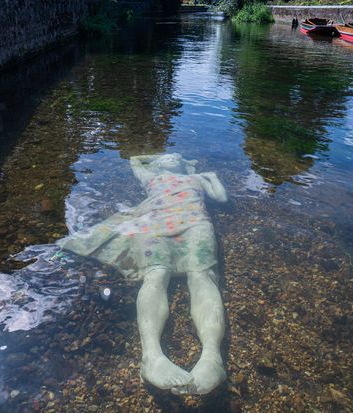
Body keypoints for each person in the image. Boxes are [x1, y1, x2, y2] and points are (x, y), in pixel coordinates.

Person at [59, 153, 228, 395]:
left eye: (176, 156)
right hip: (156, 223)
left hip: (196, 223)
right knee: (156, 274)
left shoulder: (197, 179)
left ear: (184, 163)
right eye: (167, 157)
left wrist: (210, 177)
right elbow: (134, 160)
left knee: (202, 275)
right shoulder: (151, 176)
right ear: (158, 164)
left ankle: (213, 357)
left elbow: (221, 198)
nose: (172, 157)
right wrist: (155, 157)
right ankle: (152, 356)